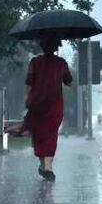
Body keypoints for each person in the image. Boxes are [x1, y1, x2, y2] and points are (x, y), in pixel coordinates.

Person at [22, 38, 72, 181]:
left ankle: (44, 164)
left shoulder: (35, 63)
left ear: (42, 47)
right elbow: (68, 81)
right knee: (51, 134)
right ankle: (48, 166)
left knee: (40, 134)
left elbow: (29, 82)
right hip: (55, 106)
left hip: (37, 105)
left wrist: (27, 98)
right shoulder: (61, 63)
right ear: (56, 48)